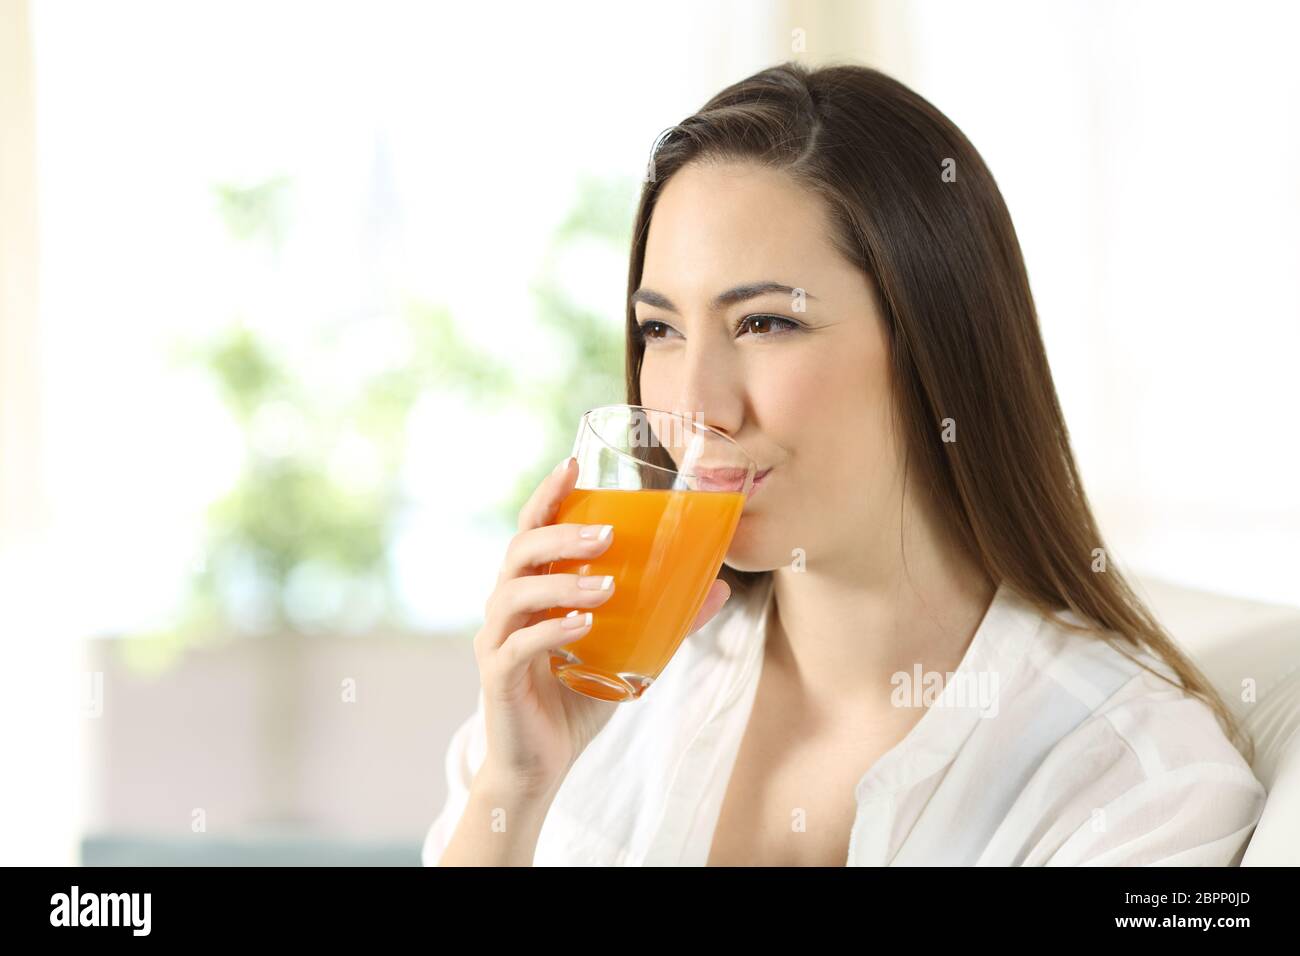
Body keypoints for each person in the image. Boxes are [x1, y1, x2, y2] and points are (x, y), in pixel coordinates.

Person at [422, 61, 1266, 866]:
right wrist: (517, 787)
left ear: (936, 343)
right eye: (661, 330)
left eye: (765, 324)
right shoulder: (599, 695)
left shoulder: (1136, 785)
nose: (697, 408)